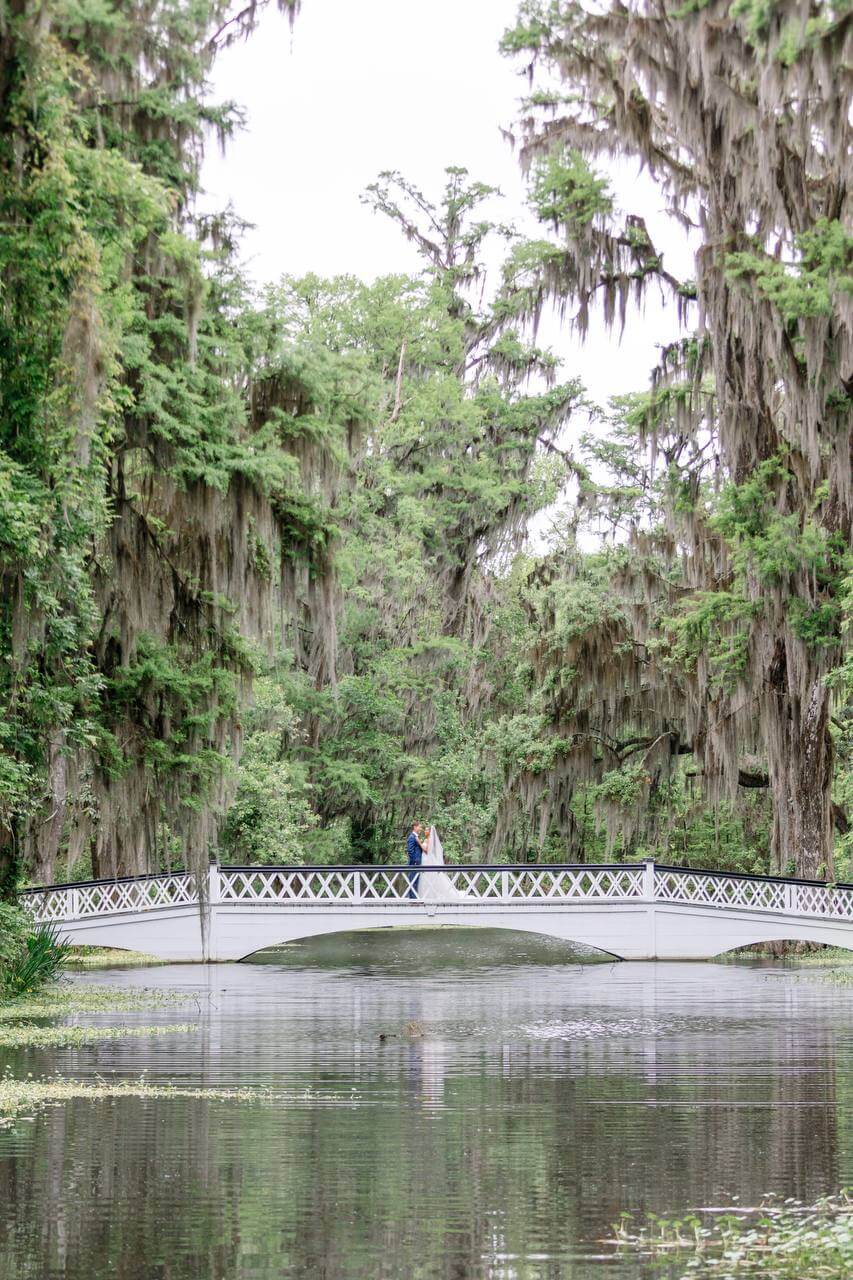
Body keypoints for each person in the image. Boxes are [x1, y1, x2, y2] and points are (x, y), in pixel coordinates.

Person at [420, 825, 467, 902]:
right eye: (425, 830)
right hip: (425, 861)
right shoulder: (426, 840)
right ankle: (427, 895)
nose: (425, 831)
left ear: (430, 832)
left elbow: (427, 851)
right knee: (427, 879)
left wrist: (419, 843)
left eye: (426, 830)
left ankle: (433, 895)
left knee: (432, 878)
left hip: (429, 861)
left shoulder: (430, 840)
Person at [405, 821, 424, 899]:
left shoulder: (416, 837)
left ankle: (414, 898)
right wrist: (415, 861)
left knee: (415, 880)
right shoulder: (412, 837)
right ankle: (413, 899)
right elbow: (410, 850)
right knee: (413, 880)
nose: (420, 829)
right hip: (414, 863)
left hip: (417, 862)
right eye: (419, 827)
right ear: (415, 827)